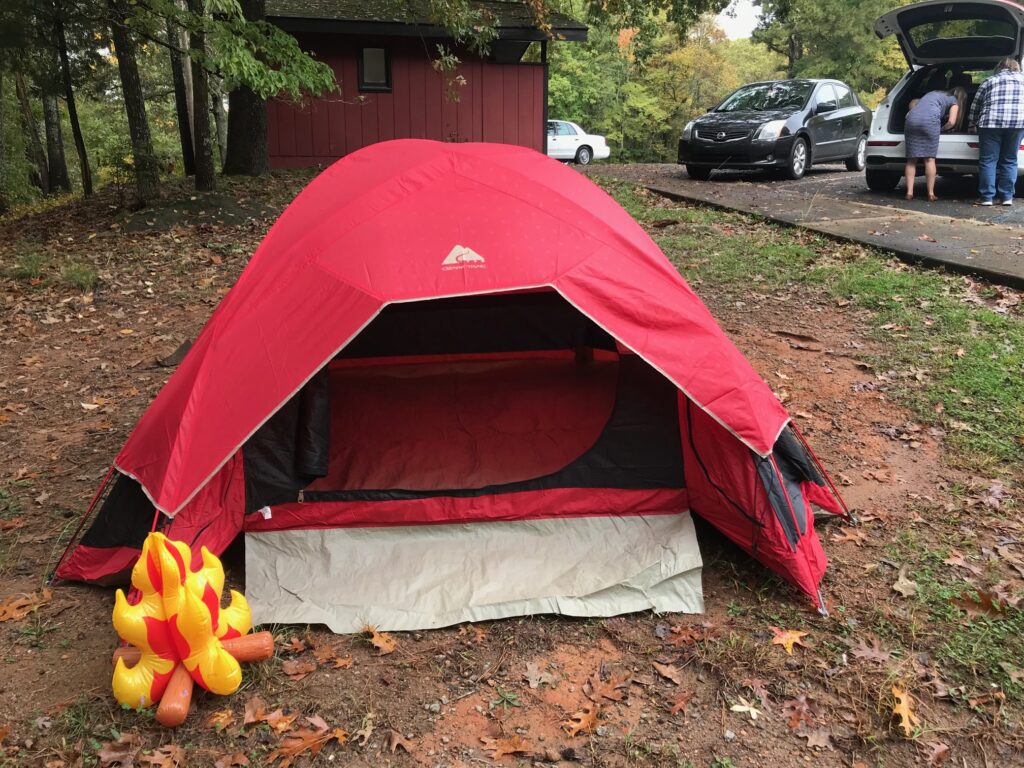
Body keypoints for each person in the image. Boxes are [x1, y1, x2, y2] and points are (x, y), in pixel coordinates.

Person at [968, 57, 1024, 206]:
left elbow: (976, 105)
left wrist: (972, 123)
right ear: (1016, 67)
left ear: (999, 67)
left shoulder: (989, 81)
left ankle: (986, 198)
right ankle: (1007, 197)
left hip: (990, 122)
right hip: (1017, 123)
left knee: (988, 160)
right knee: (1010, 160)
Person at [904, 87, 966, 201]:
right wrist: (941, 129)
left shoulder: (932, 93)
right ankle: (931, 194)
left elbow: (914, 103)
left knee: (911, 160)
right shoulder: (954, 102)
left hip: (911, 120)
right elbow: (951, 122)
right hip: (930, 123)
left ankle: (909, 193)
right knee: (929, 160)